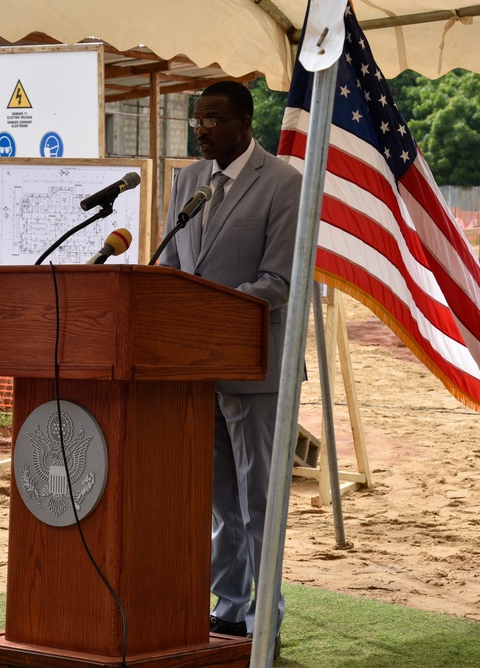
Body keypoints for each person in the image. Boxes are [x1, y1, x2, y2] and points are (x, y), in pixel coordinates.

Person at [158, 80, 301, 655]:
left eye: (214, 119)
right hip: (197, 366)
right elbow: (171, 260)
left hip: (255, 364)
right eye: (199, 119)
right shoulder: (187, 181)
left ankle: (266, 616)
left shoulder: (284, 184)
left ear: (244, 123)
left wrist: (210, 311)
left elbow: (280, 282)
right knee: (220, 496)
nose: (202, 129)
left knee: (259, 496)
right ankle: (229, 606)